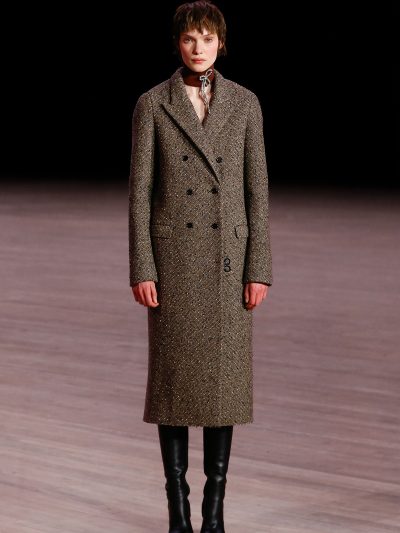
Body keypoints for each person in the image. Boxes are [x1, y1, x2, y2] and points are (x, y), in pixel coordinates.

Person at [128, 1, 273, 531]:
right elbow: (140, 194)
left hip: (227, 266)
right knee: (173, 386)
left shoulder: (245, 103)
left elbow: (257, 192)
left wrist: (259, 268)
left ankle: (214, 513)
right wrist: (142, 266)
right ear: (177, 43)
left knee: (222, 389)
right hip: (174, 265)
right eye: (190, 38)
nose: (198, 48)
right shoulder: (153, 105)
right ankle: (178, 510)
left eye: (207, 38)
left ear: (221, 43)